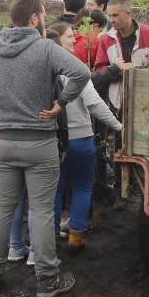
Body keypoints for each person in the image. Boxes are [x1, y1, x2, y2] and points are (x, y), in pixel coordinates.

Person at [0, 0, 90, 297]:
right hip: (40, 144)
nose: (45, 20)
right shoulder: (45, 48)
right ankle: (47, 279)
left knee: (1, 206)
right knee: (42, 210)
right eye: (44, 15)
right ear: (34, 18)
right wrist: (61, 103)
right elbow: (82, 73)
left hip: (4, 144)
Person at [48, 23, 123, 253]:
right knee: (82, 185)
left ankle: (49, 238)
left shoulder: (42, 69)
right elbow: (94, 104)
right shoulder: (76, 69)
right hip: (81, 140)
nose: (74, 40)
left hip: (52, 141)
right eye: (69, 36)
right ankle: (76, 236)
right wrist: (118, 125)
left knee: (55, 190)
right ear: (58, 40)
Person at [92, 0, 149, 113]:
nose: (111, 20)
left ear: (128, 14)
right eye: (109, 16)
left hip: (148, 98)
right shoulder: (106, 39)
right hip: (118, 104)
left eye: (115, 15)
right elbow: (99, 71)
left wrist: (140, 72)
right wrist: (114, 69)